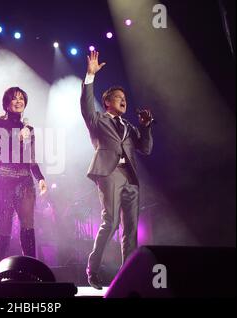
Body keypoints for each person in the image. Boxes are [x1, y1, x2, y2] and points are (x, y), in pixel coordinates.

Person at [80, 51, 154, 289]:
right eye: (118, 97)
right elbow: (85, 105)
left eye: (125, 98)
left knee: (131, 229)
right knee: (110, 222)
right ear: (108, 102)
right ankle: (93, 268)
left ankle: (127, 277)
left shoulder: (129, 127)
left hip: (130, 177)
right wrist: (90, 76)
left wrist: (145, 127)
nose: (124, 100)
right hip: (109, 172)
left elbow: (146, 149)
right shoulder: (97, 120)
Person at [0, 87, 47, 264]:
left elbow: (31, 158)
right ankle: (0, 269)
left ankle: (31, 269)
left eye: (22, 98)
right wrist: (17, 138)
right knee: (5, 219)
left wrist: (41, 178)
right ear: (6, 103)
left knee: (28, 222)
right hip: (3, 176)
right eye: (14, 98)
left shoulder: (28, 128)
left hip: (25, 177)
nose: (19, 101)